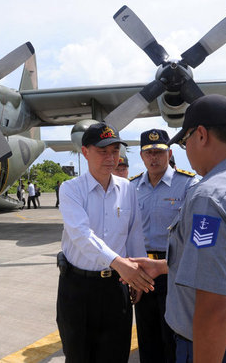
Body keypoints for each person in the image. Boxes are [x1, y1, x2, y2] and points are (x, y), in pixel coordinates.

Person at [131, 94, 226, 362]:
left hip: (222, 349)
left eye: (185, 141)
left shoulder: (209, 198)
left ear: (200, 135)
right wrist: (165, 266)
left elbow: (212, 305)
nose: (186, 150)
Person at [56, 121, 154, 363]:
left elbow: (134, 233)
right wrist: (119, 263)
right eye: (103, 151)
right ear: (85, 152)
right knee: (78, 356)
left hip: (115, 288)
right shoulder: (70, 189)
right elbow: (81, 234)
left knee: (115, 354)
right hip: (77, 287)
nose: (111, 158)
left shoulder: (127, 188)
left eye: (115, 151)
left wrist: (137, 275)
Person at [130, 129, 197, 363]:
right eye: (148, 153)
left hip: (172, 269)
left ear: (169, 153)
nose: (154, 158)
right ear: (141, 156)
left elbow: (192, 234)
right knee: (147, 336)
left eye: (159, 152)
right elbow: (129, 232)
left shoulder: (188, 184)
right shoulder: (132, 187)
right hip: (141, 271)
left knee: (173, 335)